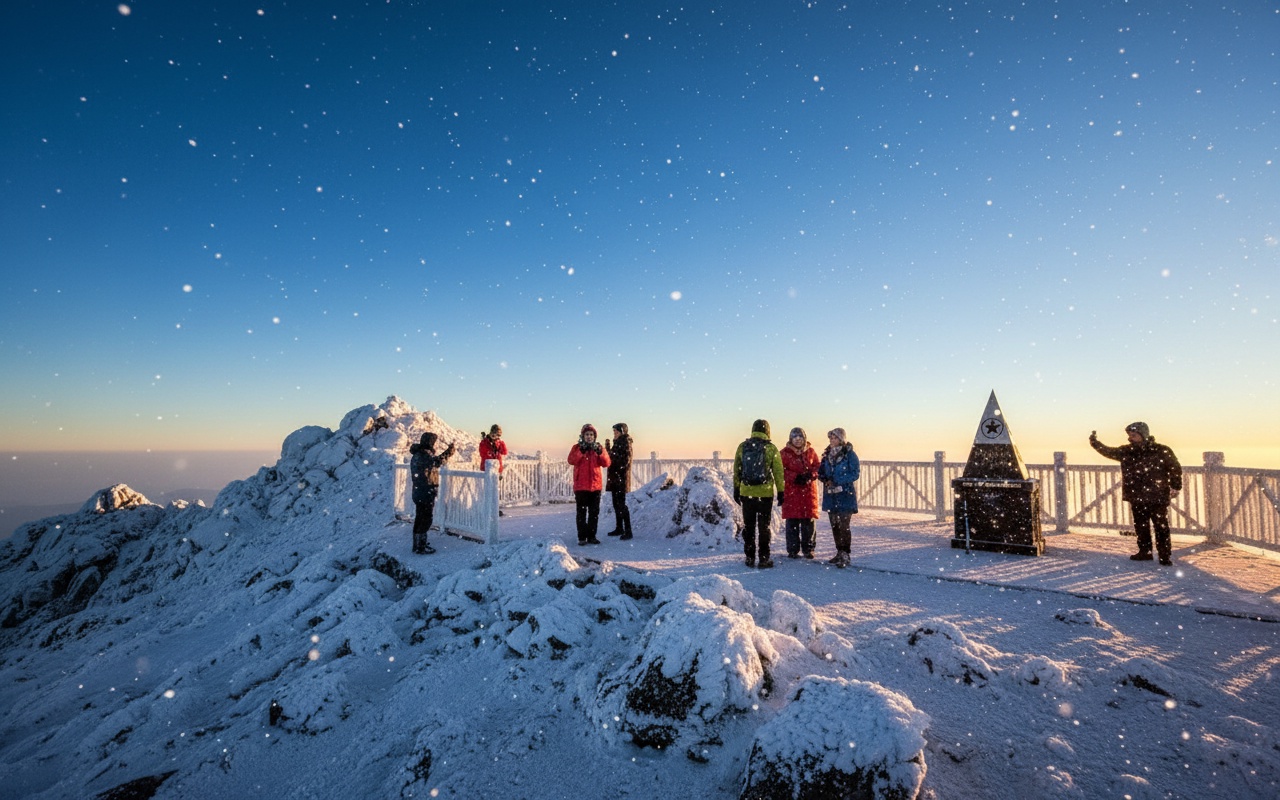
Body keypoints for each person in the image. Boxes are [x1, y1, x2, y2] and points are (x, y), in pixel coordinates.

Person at [1089, 422, 1182, 566]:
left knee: (1161, 525)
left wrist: (1176, 486)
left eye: (1133, 435)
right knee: (1141, 525)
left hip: (1156, 495)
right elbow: (1107, 451)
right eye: (1129, 436)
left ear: (1143, 435)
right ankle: (1145, 552)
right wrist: (1095, 443)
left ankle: (1164, 555)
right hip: (1137, 495)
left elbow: (1174, 468)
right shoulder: (1127, 451)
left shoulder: (1161, 450)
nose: (1130, 438)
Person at [733, 419, 785, 568]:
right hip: (765, 494)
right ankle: (764, 558)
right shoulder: (771, 448)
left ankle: (749, 558)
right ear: (767, 431)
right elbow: (778, 472)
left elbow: (737, 469)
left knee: (749, 527)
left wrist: (737, 489)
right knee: (764, 527)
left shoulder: (743, 447)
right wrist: (781, 491)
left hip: (746, 492)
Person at [818, 428, 860, 568]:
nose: (832, 441)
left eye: (834, 438)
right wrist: (824, 478)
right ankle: (839, 552)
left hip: (845, 495)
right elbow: (821, 471)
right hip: (831, 495)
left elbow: (855, 473)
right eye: (830, 438)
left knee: (844, 525)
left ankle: (845, 554)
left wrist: (837, 479)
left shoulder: (849, 455)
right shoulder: (827, 455)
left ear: (841, 439)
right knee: (834, 525)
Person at [408, 432, 456, 554]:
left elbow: (433, 462)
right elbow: (436, 462)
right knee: (426, 518)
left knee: (420, 517)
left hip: (419, 491)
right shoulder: (423, 456)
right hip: (425, 491)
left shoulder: (418, 454)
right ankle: (421, 546)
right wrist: (448, 452)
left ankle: (417, 544)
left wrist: (446, 453)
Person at [780, 427, 821, 559]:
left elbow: (817, 466)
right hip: (792, 492)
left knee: (808, 521)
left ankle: (808, 549)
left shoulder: (811, 452)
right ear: (790, 439)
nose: (798, 440)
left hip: (808, 492)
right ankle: (792, 550)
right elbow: (780, 470)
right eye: (795, 437)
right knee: (792, 521)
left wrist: (811, 475)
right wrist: (794, 477)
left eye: (800, 437)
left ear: (804, 439)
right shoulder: (784, 453)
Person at [568, 423, 611, 545]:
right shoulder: (576, 447)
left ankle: (592, 536)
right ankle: (582, 537)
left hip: (595, 486)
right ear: (583, 435)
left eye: (591, 434)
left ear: (594, 436)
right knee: (581, 512)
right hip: (581, 486)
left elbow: (607, 463)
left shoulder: (598, 448)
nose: (589, 437)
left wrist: (600, 453)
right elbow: (571, 460)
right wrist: (581, 452)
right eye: (587, 434)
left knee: (594, 513)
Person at [605, 423, 634, 539]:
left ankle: (628, 531)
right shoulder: (618, 443)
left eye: (616, 432)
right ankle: (619, 527)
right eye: (614, 432)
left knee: (621, 505)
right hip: (615, 478)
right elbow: (611, 457)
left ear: (622, 432)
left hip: (620, 479)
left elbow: (624, 461)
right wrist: (608, 448)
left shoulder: (626, 443)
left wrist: (611, 453)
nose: (614, 434)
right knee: (616, 504)